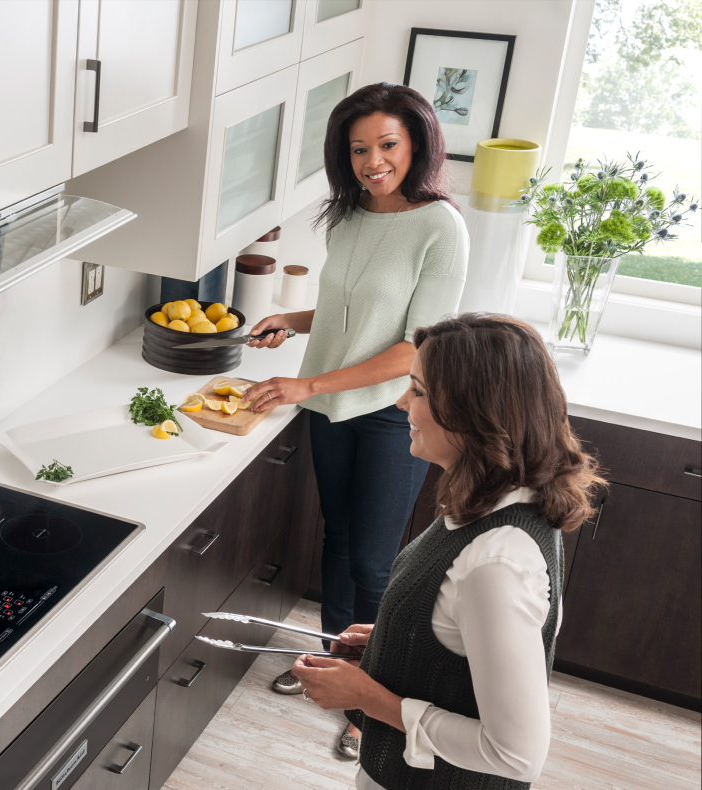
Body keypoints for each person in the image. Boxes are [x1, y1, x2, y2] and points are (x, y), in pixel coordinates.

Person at [243, 82, 468, 758]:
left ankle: (372, 705)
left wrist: (305, 381)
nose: (374, 160)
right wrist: (293, 319)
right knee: (336, 546)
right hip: (331, 408)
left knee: (375, 563)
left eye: (388, 145)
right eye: (360, 148)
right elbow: (351, 309)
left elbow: (413, 344)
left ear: (417, 143)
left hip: (390, 415)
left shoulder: (439, 226)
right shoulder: (347, 215)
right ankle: (332, 669)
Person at [288, 314, 603, 789]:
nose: (401, 404)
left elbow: (516, 756)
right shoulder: (497, 501)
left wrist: (369, 698)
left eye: (417, 390)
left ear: (473, 413)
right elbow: (466, 632)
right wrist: (400, 639)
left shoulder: (497, 563)